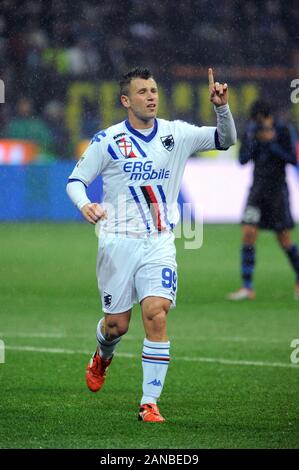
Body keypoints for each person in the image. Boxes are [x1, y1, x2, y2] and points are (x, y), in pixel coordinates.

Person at [66, 67, 237, 422]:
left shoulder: (177, 134)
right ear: (126, 100)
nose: (152, 96)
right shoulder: (108, 140)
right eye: (143, 91)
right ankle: (102, 354)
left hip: (159, 242)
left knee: (156, 312)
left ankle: (149, 403)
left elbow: (226, 140)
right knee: (117, 325)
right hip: (117, 243)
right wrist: (86, 204)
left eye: (154, 90)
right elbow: (75, 181)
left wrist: (222, 108)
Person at [228, 100, 299, 301]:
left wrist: (271, 143)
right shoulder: (251, 131)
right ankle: (247, 287)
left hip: (278, 192)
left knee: (284, 239)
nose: (260, 123)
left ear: (269, 116)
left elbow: (293, 159)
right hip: (257, 191)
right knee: (248, 233)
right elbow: (242, 160)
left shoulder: (284, 129)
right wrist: (255, 142)